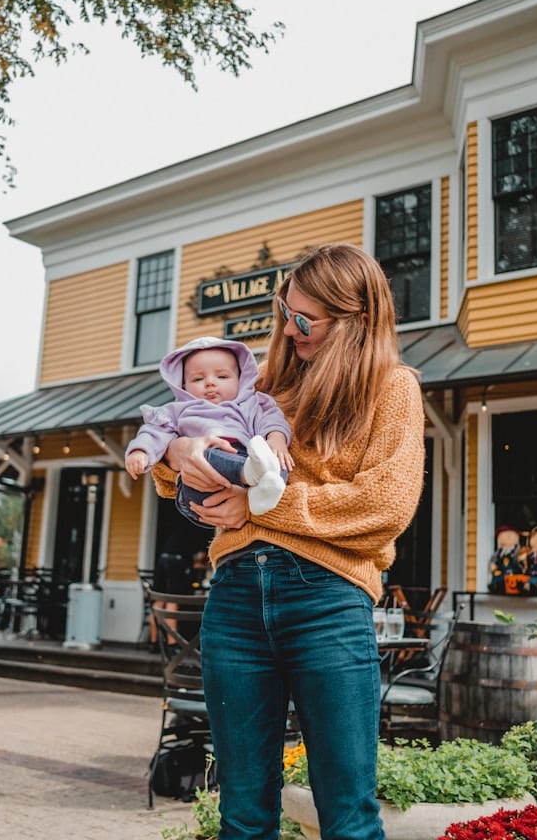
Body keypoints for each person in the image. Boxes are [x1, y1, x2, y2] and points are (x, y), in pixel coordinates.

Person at [151, 244, 425, 840]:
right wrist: (176, 452)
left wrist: (261, 507)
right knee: (243, 816)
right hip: (234, 599)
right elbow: (177, 449)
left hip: (328, 599)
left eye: (307, 320)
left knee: (348, 815)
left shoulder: (392, 388)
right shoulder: (258, 385)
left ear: (354, 321)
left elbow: (383, 507)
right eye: (285, 313)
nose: (290, 329)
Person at [124, 336, 294, 527]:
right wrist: (141, 451)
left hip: (247, 463)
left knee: (279, 458)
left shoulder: (250, 405)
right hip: (201, 486)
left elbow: (271, 418)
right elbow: (155, 431)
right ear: (183, 386)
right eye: (198, 378)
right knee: (205, 453)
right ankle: (252, 473)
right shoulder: (179, 411)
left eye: (222, 377)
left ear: (241, 379)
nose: (210, 383)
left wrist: (277, 438)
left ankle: (266, 491)